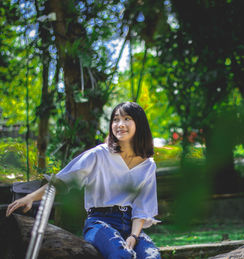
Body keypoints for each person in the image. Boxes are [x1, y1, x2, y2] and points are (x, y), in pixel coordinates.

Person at [6, 102, 161, 259]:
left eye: (127, 118)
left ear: (139, 123)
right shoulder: (98, 154)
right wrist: (31, 197)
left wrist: (134, 236)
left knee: (152, 256)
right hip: (99, 223)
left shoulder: (148, 165)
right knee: (122, 255)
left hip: (130, 225)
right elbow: (64, 181)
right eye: (115, 119)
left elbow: (142, 206)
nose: (120, 124)